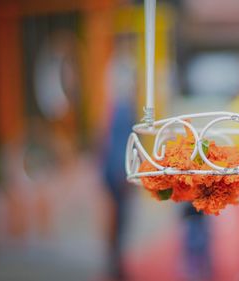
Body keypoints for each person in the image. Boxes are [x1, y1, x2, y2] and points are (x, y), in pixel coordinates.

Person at [101, 37, 137, 281]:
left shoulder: (112, 109)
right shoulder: (122, 110)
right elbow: (120, 144)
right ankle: (115, 263)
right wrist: (124, 172)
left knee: (117, 218)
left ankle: (115, 261)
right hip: (118, 170)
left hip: (112, 168)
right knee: (119, 218)